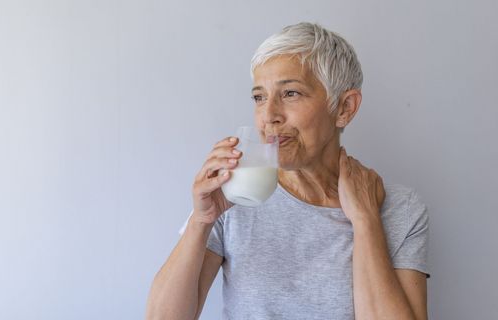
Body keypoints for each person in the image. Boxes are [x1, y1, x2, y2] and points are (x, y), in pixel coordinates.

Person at [146, 22, 429, 320]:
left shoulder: (400, 209)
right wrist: (201, 221)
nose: (269, 116)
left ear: (344, 107)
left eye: (291, 93)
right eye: (259, 97)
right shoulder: (233, 195)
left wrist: (366, 221)